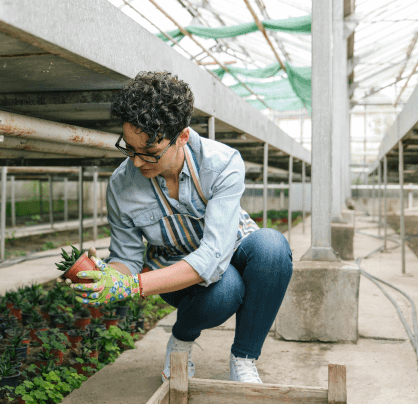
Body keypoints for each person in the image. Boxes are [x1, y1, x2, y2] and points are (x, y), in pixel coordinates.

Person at [70, 71, 293, 384]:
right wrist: (108, 277)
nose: (136, 162)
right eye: (129, 149)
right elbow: (128, 260)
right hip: (174, 272)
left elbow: (215, 255)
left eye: (149, 152)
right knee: (225, 286)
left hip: (230, 249)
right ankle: (181, 342)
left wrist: (135, 286)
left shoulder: (222, 163)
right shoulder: (121, 186)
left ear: (182, 137)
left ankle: (244, 359)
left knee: (272, 247)